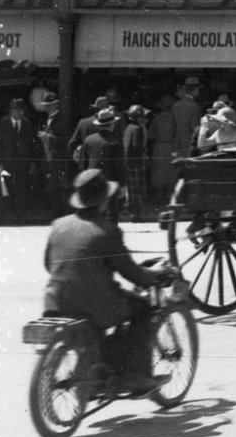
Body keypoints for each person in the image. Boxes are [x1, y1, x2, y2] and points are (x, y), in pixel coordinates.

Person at [42, 169, 171, 395]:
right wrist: (156, 274)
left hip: (55, 301)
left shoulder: (59, 225)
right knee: (143, 308)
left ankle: (98, 369)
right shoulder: (108, 231)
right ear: (103, 202)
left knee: (106, 305)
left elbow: (48, 264)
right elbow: (134, 274)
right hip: (95, 306)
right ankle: (135, 376)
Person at [0, 95, 44, 223]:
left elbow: (33, 145)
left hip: (23, 163)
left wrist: (32, 163)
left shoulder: (27, 123)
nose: (17, 112)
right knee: (5, 189)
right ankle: (0, 217)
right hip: (7, 163)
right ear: (11, 111)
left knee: (21, 189)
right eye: (14, 110)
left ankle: (20, 216)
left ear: (22, 111)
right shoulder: (4, 123)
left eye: (19, 110)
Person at [120, 106, 151, 221]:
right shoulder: (137, 129)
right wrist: (145, 154)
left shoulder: (129, 128)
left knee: (131, 189)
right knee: (137, 190)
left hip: (129, 162)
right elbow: (137, 146)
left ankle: (132, 213)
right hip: (136, 162)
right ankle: (136, 215)